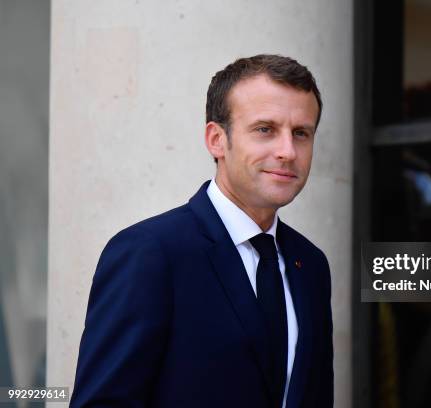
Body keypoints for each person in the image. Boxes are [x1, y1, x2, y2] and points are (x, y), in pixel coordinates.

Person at [70, 54, 334, 408]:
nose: (288, 151)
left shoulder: (311, 264)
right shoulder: (150, 253)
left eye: (301, 133)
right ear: (216, 139)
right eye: (265, 129)